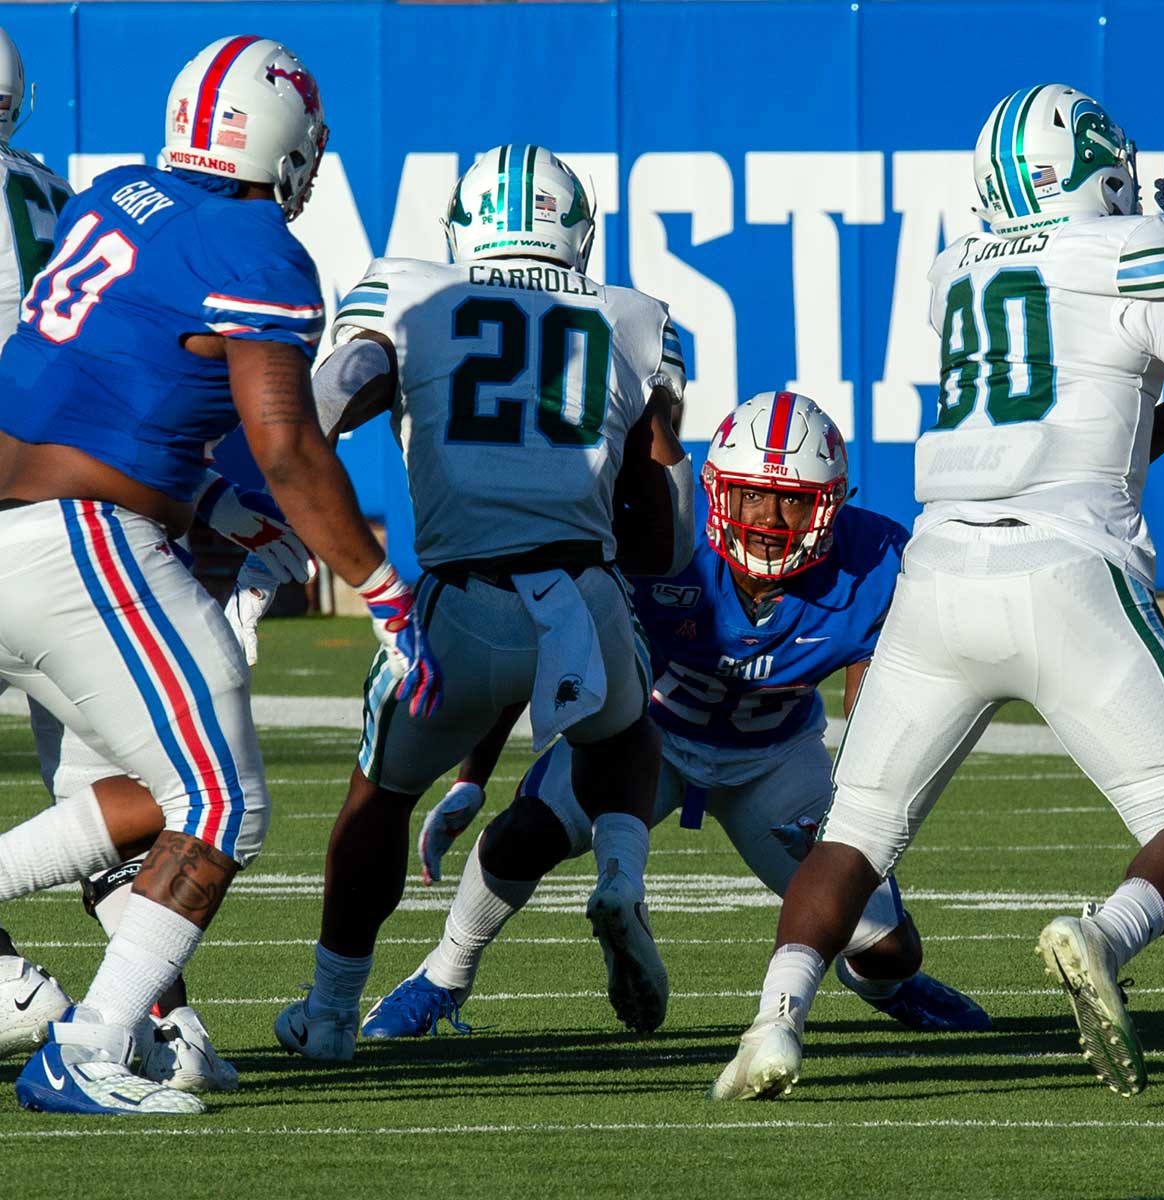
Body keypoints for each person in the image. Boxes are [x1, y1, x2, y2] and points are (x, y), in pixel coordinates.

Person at [711, 83, 1164, 1103]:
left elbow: (1108, 419)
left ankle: (776, 1019)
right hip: (1069, 574)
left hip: (938, 578)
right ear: (1097, 167)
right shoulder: (1135, 250)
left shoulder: (956, 270)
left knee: (855, 832)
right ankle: (1104, 934)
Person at [0, 36, 438, 1117]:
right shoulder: (253, 245)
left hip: (28, 523)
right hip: (77, 543)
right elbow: (286, 445)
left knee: (147, 792)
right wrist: (385, 594)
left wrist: (223, 511)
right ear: (284, 143)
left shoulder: (118, 194)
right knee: (222, 799)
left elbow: (115, 392)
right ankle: (90, 1046)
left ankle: (148, 1030)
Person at [364, 393, 991, 1040]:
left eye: (793, 501)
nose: (769, 520)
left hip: (775, 757)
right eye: (751, 496)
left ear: (831, 505)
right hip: (646, 736)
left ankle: (885, 987)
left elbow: (876, 711)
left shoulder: (873, 562)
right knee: (524, 833)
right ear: (715, 491)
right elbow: (531, 640)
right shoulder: (663, 534)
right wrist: (472, 777)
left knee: (889, 949)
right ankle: (443, 974)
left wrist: (846, 817)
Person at [274, 143, 693, 1064]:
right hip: (581, 594)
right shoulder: (633, 317)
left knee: (379, 798)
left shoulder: (408, 290)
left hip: (457, 605)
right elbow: (665, 531)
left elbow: (328, 402)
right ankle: (621, 876)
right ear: (577, 232)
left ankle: (333, 1012)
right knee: (626, 735)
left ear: (465, 229)